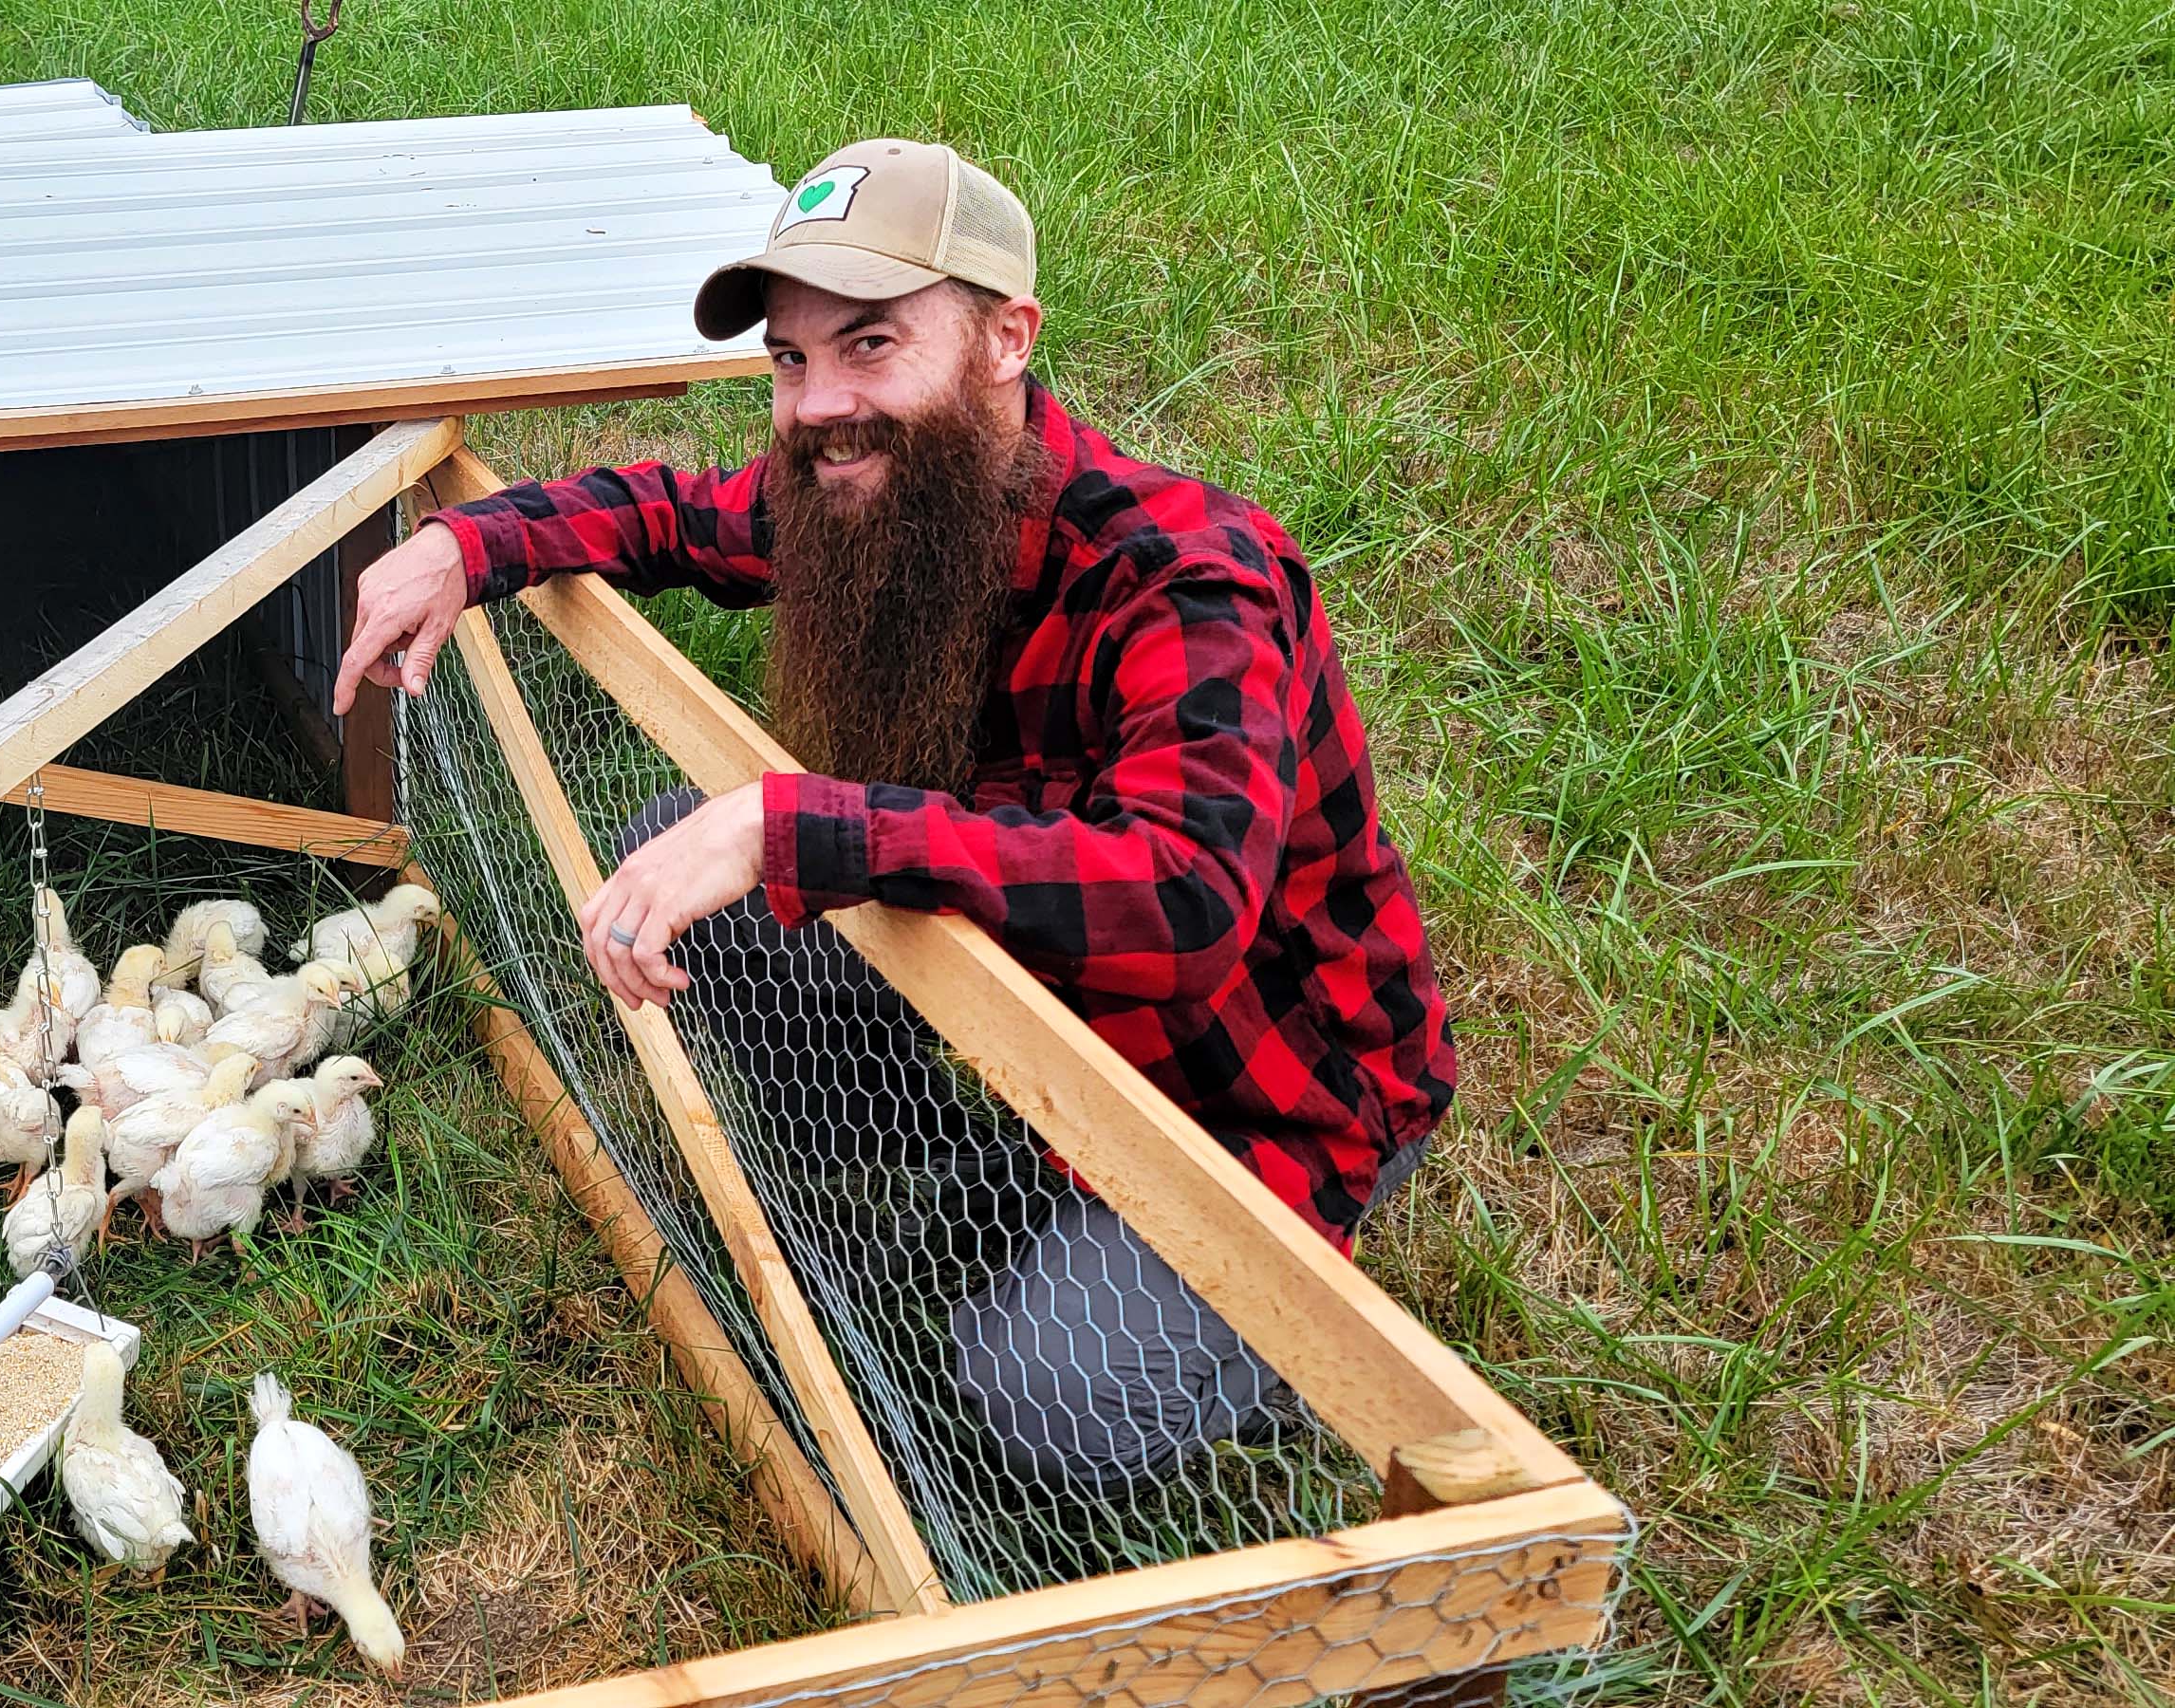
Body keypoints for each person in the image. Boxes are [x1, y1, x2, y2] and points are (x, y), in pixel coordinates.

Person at [332, 139, 1455, 1491]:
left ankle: (1263, 1354)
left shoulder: (1183, 579)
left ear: (1005, 340)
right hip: (1042, 1022)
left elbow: (1185, 900)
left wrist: (788, 825)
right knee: (681, 857)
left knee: (1042, 1403)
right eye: (792, 362)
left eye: (869, 345)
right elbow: (674, 512)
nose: (817, 407)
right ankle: (944, 1181)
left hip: (1253, 1100)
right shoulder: (881, 493)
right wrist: (467, 545)